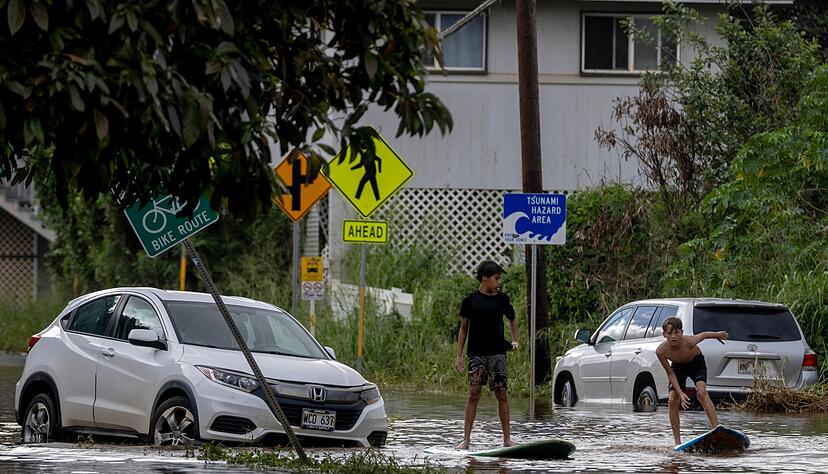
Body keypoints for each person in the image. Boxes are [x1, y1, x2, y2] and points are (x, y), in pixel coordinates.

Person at [454, 260, 518, 449]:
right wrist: (458, 356)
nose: (499, 282)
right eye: (496, 278)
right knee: (473, 394)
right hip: (476, 354)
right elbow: (463, 328)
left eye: (500, 279)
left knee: (502, 394)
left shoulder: (502, 299)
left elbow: (512, 319)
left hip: (498, 353)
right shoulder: (470, 301)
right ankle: (466, 439)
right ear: (484, 278)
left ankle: (507, 439)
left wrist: (515, 340)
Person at [656, 316, 728, 446]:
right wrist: (680, 393)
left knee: (701, 393)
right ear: (664, 334)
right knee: (672, 399)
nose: (674, 336)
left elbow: (704, 335)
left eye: (677, 332)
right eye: (670, 333)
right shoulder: (661, 351)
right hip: (677, 368)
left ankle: (717, 429)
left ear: (681, 333)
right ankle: (677, 440)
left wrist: (718, 334)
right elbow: (670, 374)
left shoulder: (689, 341)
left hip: (696, 363)